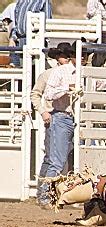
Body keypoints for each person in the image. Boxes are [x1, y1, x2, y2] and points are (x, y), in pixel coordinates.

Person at [37, 41, 88, 208]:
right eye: (82, 56)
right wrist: (67, 88)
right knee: (57, 161)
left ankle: (66, 195)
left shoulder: (85, 72)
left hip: (76, 119)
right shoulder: (59, 72)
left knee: (70, 159)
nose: (85, 59)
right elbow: (49, 94)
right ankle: (44, 196)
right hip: (61, 117)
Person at [31, 43, 73, 202]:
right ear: (57, 57)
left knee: (57, 157)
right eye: (64, 55)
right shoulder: (47, 75)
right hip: (54, 116)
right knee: (52, 157)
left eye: (69, 55)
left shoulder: (71, 73)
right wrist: (43, 111)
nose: (66, 58)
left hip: (64, 117)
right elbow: (35, 94)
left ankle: (48, 193)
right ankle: (43, 194)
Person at [13, 0, 52, 66]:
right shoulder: (21, 1)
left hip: (35, 41)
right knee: (21, 69)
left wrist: (42, 39)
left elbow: (47, 22)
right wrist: (13, 37)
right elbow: (16, 22)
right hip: (20, 41)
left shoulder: (43, 1)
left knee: (36, 67)